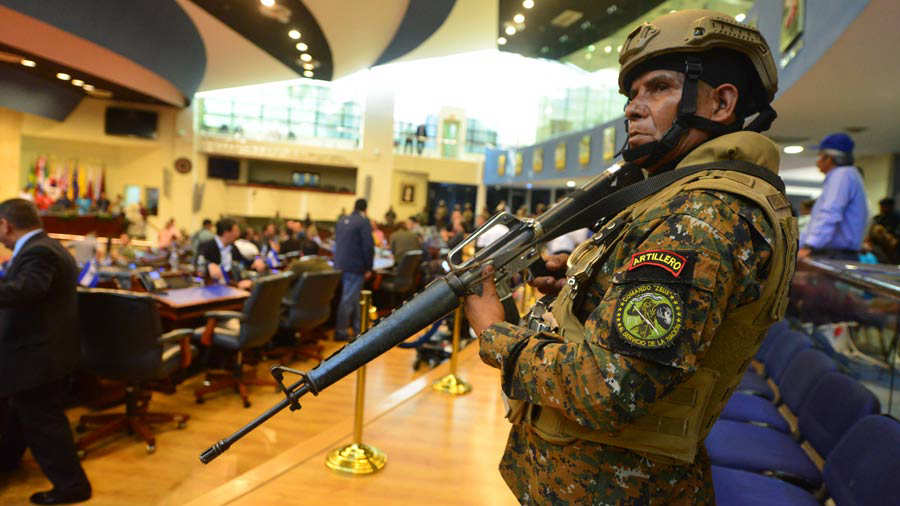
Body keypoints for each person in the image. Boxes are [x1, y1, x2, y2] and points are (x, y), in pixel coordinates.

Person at [464, 10, 795, 504]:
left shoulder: (701, 217)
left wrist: (494, 333)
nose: (634, 109)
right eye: (631, 95)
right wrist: (585, 292)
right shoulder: (679, 199)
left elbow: (608, 390)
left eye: (657, 88)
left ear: (722, 103)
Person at [0, 199, 91, 504]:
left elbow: (27, 290)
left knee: (44, 422)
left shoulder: (38, 251)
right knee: (22, 412)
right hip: (42, 350)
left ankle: (72, 486)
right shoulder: (45, 245)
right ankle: (8, 460)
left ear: (5, 224)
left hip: (38, 354)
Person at [798, 133, 868, 260]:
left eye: (820, 157)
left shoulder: (842, 175)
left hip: (835, 254)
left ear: (830, 158)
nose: (817, 162)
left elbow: (830, 213)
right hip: (836, 252)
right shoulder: (848, 175)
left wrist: (810, 246)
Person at [332, 198, 374, 341]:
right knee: (348, 299)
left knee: (354, 298)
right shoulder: (363, 222)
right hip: (356, 266)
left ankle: (359, 329)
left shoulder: (342, 220)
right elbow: (368, 246)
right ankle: (341, 331)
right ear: (365, 209)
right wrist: (369, 267)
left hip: (340, 264)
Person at [196, 218, 264, 290]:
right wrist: (208, 265)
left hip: (232, 284)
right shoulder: (206, 246)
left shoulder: (232, 247)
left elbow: (244, 261)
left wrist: (257, 259)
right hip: (212, 288)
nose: (238, 234)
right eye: (236, 231)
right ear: (226, 233)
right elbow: (197, 265)